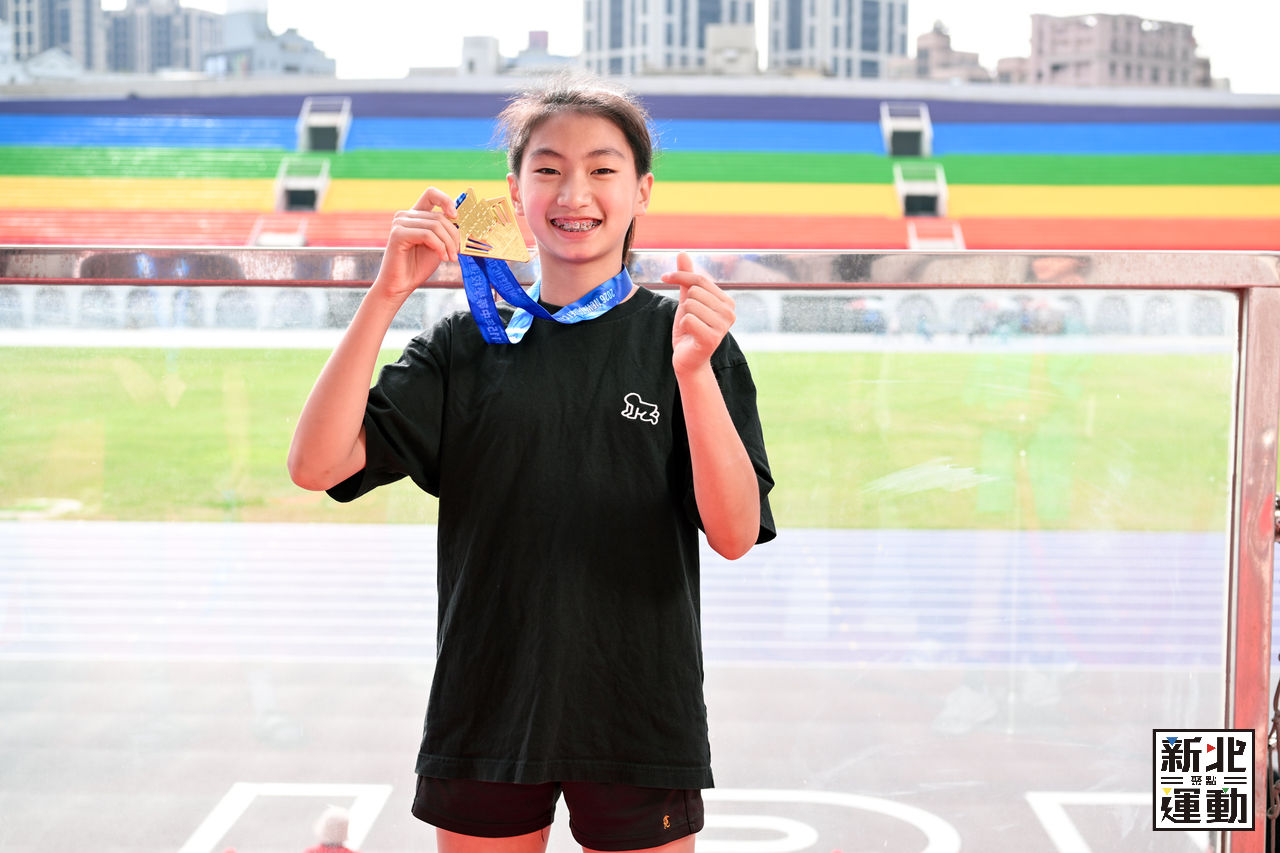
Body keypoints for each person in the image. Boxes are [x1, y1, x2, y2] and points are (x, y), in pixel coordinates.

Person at [287, 72, 775, 853]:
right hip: (487, 707)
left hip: (639, 710)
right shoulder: (463, 342)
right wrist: (384, 297)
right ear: (515, 196)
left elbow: (734, 532)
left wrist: (691, 373)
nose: (574, 192)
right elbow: (316, 464)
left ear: (642, 191)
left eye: (602, 168)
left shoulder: (686, 338)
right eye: (548, 169)